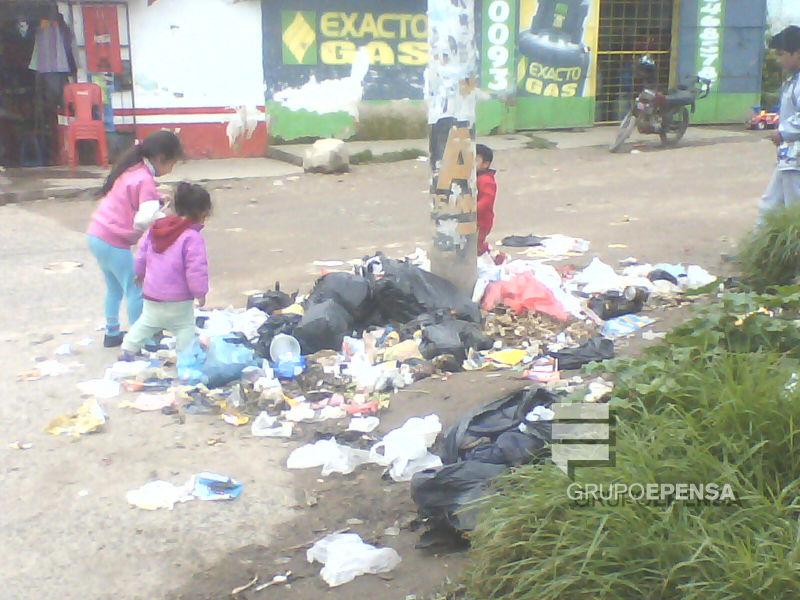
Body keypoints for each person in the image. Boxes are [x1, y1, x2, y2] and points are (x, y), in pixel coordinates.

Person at [86, 130, 183, 347]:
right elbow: (143, 220)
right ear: (161, 158)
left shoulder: (132, 169)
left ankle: (112, 332)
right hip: (114, 240)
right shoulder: (146, 180)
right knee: (136, 289)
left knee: (114, 288)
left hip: (97, 235)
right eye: (172, 164)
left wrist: (157, 200)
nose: (170, 170)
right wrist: (164, 219)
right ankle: (141, 337)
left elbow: (131, 199)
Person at [120, 182, 211, 361]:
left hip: (152, 295)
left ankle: (128, 349)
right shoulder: (192, 238)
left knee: (145, 324)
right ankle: (186, 358)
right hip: (179, 300)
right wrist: (200, 293)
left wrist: (139, 274)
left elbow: (141, 255)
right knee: (185, 328)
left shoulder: (155, 229)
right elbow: (195, 269)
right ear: (202, 214)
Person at [758, 25, 800, 222]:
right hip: (788, 157)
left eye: (782, 54)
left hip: (796, 158)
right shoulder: (793, 80)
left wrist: (783, 132)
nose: (779, 59)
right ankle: (758, 248)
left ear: (797, 53)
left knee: (794, 207)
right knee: (770, 203)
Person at [476, 143, 498, 256]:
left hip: (482, 221)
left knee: (475, 244)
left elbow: (487, 200)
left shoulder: (485, 180)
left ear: (485, 164)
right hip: (473, 219)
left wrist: (472, 209)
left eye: (474, 160)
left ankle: (493, 256)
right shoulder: (474, 177)